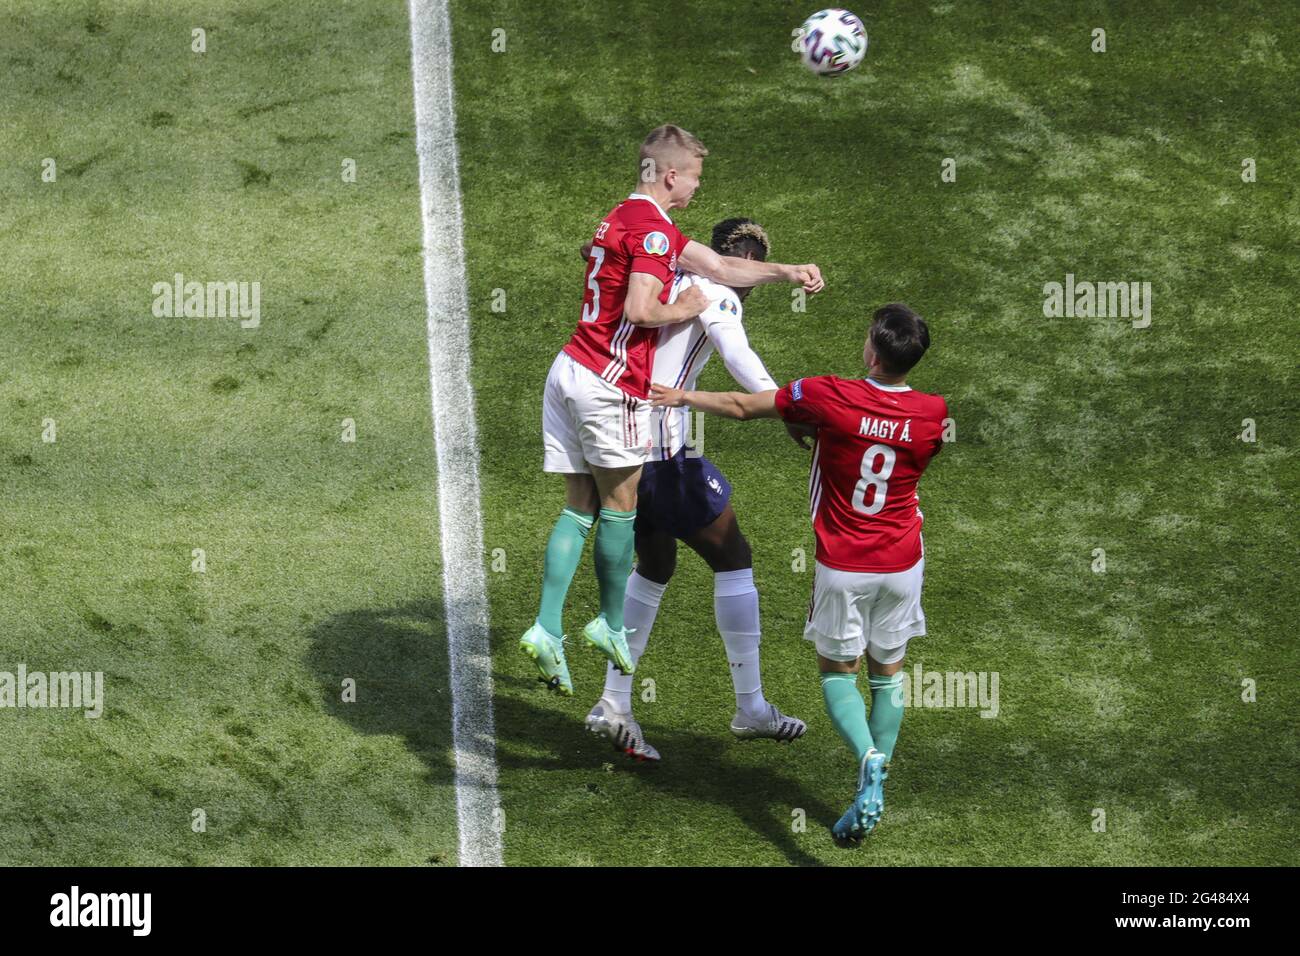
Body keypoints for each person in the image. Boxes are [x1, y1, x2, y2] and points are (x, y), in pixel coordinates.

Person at [521, 124, 824, 696]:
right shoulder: (666, 246)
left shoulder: (621, 217)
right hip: (613, 389)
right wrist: (680, 306)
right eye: (694, 178)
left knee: (582, 512)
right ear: (670, 175)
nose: (695, 190)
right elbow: (647, 310)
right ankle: (613, 630)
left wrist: (787, 272)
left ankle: (547, 629)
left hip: (566, 367)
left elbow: (715, 266)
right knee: (628, 514)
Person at [649, 304, 946, 843]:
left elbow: (743, 405)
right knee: (888, 674)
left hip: (843, 564)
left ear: (872, 352)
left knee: (838, 673)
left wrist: (682, 396)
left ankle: (868, 756)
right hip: (904, 561)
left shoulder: (829, 395)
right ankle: (870, 788)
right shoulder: (932, 413)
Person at [585, 218, 808, 761]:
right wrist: (785, 406)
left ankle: (613, 701)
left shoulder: (660, 276)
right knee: (733, 555)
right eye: (752, 262)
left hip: (615, 448)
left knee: (655, 565)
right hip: (661, 454)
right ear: (741, 262)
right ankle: (750, 706)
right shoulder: (719, 295)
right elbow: (738, 357)